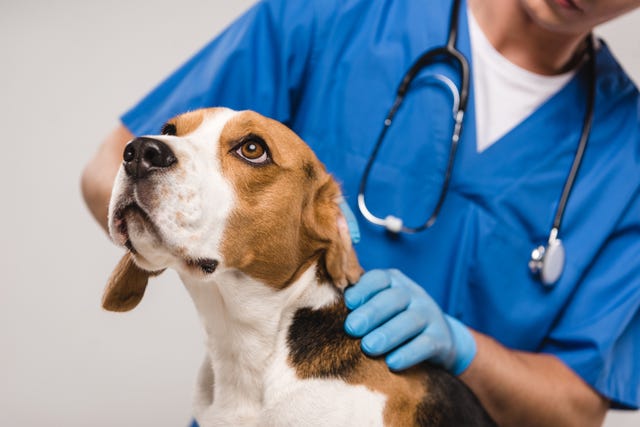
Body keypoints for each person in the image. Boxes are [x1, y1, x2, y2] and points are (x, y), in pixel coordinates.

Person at [81, 0, 640, 425]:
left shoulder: (628, 153)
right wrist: (191, 243)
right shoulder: (334, 14)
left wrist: (459, 344)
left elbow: (575, 405)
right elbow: (117, 169)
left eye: (250, 151)